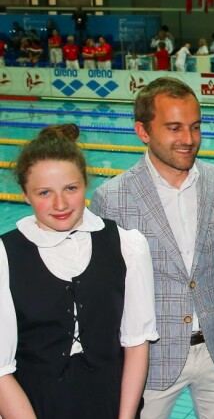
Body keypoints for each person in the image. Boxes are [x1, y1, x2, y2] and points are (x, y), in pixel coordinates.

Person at [90, 77, 214, 419]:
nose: (189, 139)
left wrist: (210, 305)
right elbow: (106, 289)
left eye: (195, 126)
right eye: (174, 128)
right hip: (150, 356)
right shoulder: (112, 198)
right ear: (143, 131)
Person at [0, 124, 157, 419]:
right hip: (34, 407)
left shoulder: (127, 245)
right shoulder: (4, 257)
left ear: (86, 184)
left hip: (110, 404)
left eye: (71, 188)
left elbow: (136, 343)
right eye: (44, 192)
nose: (60, 204)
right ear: (24, 194)